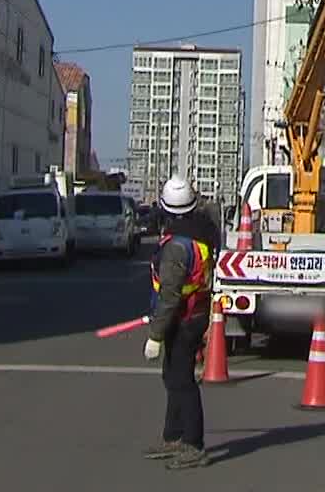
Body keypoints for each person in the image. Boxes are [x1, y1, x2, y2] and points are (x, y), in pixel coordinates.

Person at [141, 175, 221, 469]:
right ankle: (173, 436)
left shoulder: (176, 246)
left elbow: (170, 295)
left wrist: (155, 335)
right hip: (194, 313)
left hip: (183, 318)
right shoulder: (202, 232)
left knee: (181, 381)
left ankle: (193, 443)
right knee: (172, 377)